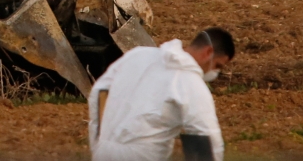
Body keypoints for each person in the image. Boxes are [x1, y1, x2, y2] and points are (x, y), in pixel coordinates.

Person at [88, 28, 235, 161]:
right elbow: (206, 136)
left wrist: (99, 142)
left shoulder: (137, 55)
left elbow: (99, 92)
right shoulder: (191, 83)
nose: (214, 72)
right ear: (208, 52)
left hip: (105, 152)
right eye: (217, 66)